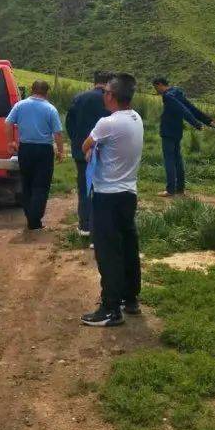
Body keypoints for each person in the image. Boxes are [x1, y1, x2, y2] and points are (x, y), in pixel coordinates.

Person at [81, 74, 145, 327]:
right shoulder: (136, 118)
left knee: (107, 251)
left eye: (106, 91)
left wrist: (91, 152)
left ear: (111, 96)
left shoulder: (106, 123)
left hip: (107, 195)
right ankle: (130, 299)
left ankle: (110, 308)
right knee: (128, 245)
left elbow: (86, 145)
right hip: (128, 193)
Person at [5, 80, 65, 230]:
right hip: (44, 150)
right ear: (46, 92)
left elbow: (8, 123)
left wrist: (11, 142)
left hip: (25, 148)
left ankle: (30, 216)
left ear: (32, 90)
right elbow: (57, 133)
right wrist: (60, 151)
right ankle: (35, 218)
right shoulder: (50, 109)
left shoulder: (20, 105)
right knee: (41, 185)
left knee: (27, 183)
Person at [65, 71, 112, 236]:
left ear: (95, 81)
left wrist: (77, 141)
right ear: (109, 83)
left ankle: (85, 225)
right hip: (105, 152)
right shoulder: (110, 100)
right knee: (105, 188)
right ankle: (103, 225)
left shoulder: (80, 98)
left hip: (81, 151)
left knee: (85, 187)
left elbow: (69, 123)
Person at [152, 77, 215, 196]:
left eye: (156, 88)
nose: (156, 91)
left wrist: (197, 124)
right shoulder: (177, 92)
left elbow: (183, 110)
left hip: (168, 132)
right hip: (177, 131)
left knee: (169, 160)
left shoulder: (168, 96)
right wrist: (208, 121)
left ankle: (170, 190)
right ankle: (180, 189)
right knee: (178, 159)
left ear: (159, 84)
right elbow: (191, 108)